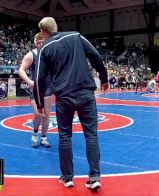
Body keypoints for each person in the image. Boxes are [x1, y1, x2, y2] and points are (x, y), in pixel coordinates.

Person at [34, 17, 108, 190]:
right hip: (85, 92)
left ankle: (67, 178)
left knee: (65, 135)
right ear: (56, 27)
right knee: (91, 134)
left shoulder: (44, 48)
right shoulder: (76, 36)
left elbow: (39, 78)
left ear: (43, 32)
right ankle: (95, 176)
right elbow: (95, 55)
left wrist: (39, 103)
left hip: (64, 96)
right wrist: (103, 78)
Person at [18, 32, 52, 148]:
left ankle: (44, 137)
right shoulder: (31, 55)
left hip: (47, 88)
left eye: (43, 41)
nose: (41, 43)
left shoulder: (50, 54)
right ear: (35, 42)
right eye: (38, 41)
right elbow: (21, 70)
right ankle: (35, 133)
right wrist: (30, 82)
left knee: (47, 115)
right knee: (38, 114)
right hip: (35, 89)